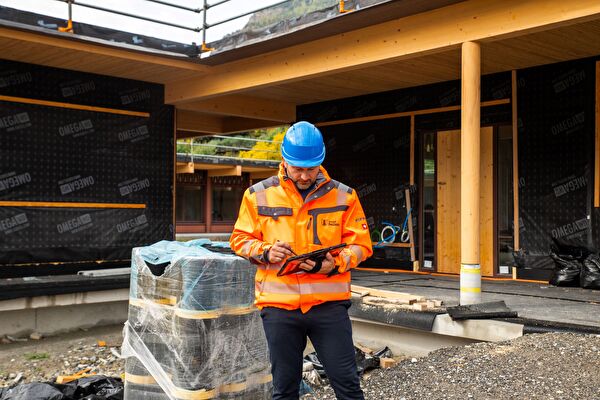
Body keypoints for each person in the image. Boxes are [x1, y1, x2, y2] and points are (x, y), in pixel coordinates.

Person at [230, 121, 373, 400]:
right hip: (279, 309)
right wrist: (266, 251)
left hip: (328, 307)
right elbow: (239, 239)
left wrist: (336, 262)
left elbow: (361, 245)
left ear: (321, 161)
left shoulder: (345, 196)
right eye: (298, 168)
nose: (305, 175)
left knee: (348, 386)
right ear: (284, 160)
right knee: (284, 389)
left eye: (311, 168)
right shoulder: (257, 195)